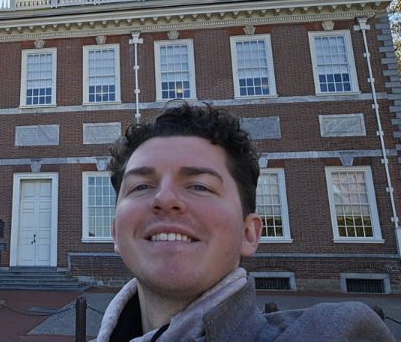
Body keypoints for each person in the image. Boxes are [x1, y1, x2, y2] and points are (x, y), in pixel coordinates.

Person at [95, 102, 394, 342]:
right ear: (116, 233)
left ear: (248, 234)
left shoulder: (338, 331)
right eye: (141, 186)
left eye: (200, 186)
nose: (164, 198)